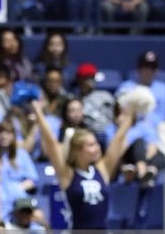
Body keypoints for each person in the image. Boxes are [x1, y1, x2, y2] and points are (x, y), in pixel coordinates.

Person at [31, 98, 132, 230]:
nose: (97, 148)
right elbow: (52, 144)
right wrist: (39, 113)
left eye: (96, 143)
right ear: (78, 150)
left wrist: (131, 112)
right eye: (91, 145)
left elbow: (117, 140)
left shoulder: (101, 169)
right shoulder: (68, 174)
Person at [0, 121, 40, 219]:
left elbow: (32, 180)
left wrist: (17, 188)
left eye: (8, 133)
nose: (3, 136)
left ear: (13, 136)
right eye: (0, 133)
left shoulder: (21, 154)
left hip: (19, 201)